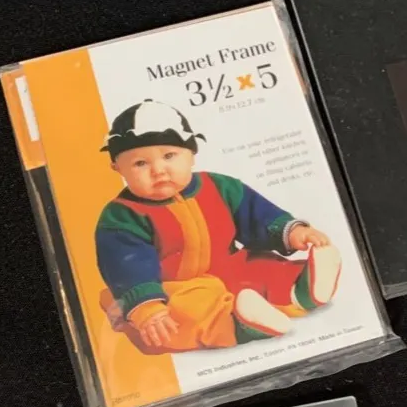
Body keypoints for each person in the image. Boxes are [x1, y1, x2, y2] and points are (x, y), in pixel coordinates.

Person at [95, 100, 341, 352]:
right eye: (140, 163)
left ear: (191, 154)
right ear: (117, 168)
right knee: (184, 312)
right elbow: (126, 265)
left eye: (169, 156)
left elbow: (257, 215)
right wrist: (147, 306)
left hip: (229, 265)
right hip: (174, 286)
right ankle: (238, 323)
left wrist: (292, 231)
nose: (158, 170)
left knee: (262, 267)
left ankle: (299, 291)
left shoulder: (220, 186)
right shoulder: (122, 216)